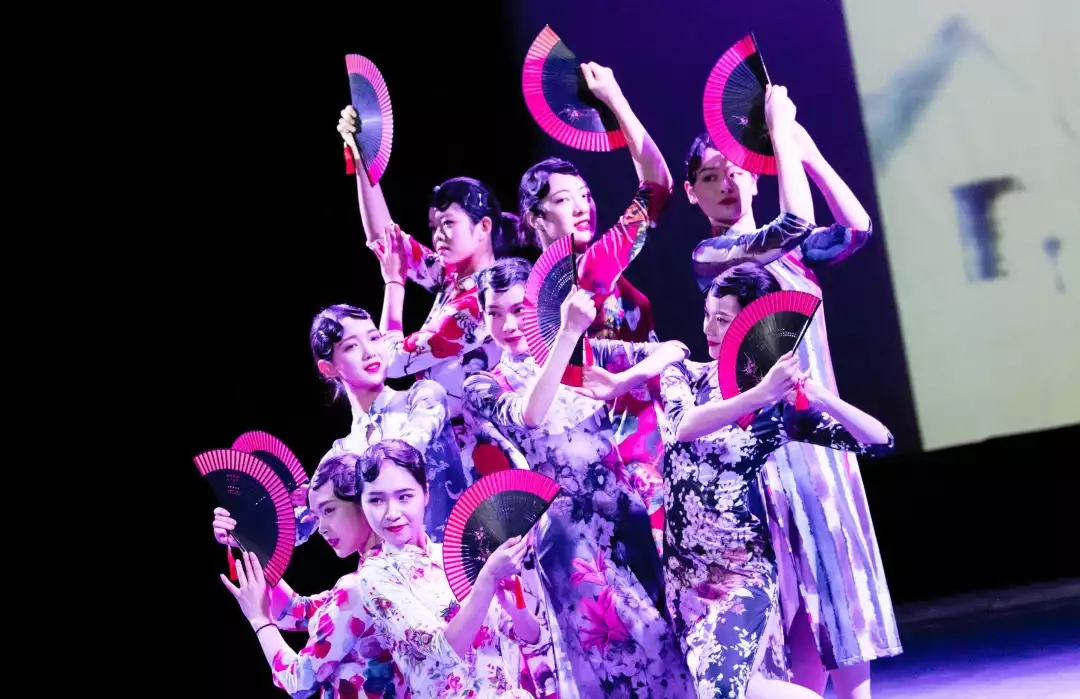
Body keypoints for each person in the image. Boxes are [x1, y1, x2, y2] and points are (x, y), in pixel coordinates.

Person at [684, 92, 899, 697]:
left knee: (844, 615)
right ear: (692, 193)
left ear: (754, 177)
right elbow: (792, 226)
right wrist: (778, 133)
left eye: (733, 171)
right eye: (709, 177)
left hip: (821, 443)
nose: (726, 184)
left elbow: (855, 228)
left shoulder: (795, 252)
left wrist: (805, 153)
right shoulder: (714, 257)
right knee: (793, 618)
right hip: (764, 449)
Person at [658, 262, 895, 699]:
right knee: (728, 691)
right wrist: (759, 393)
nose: (708, 328)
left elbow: (880, 441)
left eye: (722, 319)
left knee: (722, 691)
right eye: (707, 314)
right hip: (683, 577)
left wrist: (821, 397)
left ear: (752, 326)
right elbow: (683, 427)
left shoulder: (778, 411)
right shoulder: (684, 375)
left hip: (739, 572)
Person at [462, 257, 694, 698]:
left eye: (518, 309)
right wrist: (567, 334)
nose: (507, 324)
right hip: (570, 537)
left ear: (538, 306)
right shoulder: (485, 384)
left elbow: (674, 349)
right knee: (626, 659)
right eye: (494, 313)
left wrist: (622, 382)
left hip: (626, 516)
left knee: (670, 647)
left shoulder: (584, 357)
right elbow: (530, 415)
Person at [516, 62, 675, 552]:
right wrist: (614, 97)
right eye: (566, 200)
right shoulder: (589, 271)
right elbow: (658, 186)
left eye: (585, 195)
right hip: (629, 447)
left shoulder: (555, 284)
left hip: (622, 446)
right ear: (536, 218)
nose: (584, 205)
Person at [355, 439, 542, 699]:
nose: (392, 512)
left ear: (426, 494)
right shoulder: (376, 575)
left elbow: (530, 636)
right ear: (362, 505)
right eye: (376, 500)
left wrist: (515, 608)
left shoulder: (456, 554)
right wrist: (487, 578)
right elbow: (444, 648)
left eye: (405, 496)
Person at [216, 452, 405, 699]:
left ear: (365, 501)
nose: (322, 528)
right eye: (316, 516)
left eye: (329, 510)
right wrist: (247, 542)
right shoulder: (400, 567)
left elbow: (298, 681)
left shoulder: (359, 586)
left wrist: (258, 619)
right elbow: (298, 612)